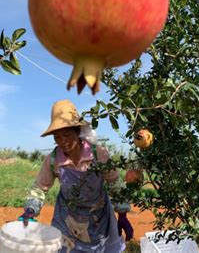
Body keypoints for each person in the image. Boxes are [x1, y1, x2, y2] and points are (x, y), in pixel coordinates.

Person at [20, 99, 133, 253]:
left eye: (67, 135)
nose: (62, 142)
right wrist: (30, 210)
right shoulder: (53, 159)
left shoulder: (98, 154)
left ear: (77, 132)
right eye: (57, 138)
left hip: (99, 219)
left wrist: (123, 214)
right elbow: (40, 188)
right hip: (67, 220)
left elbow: (115, 183)